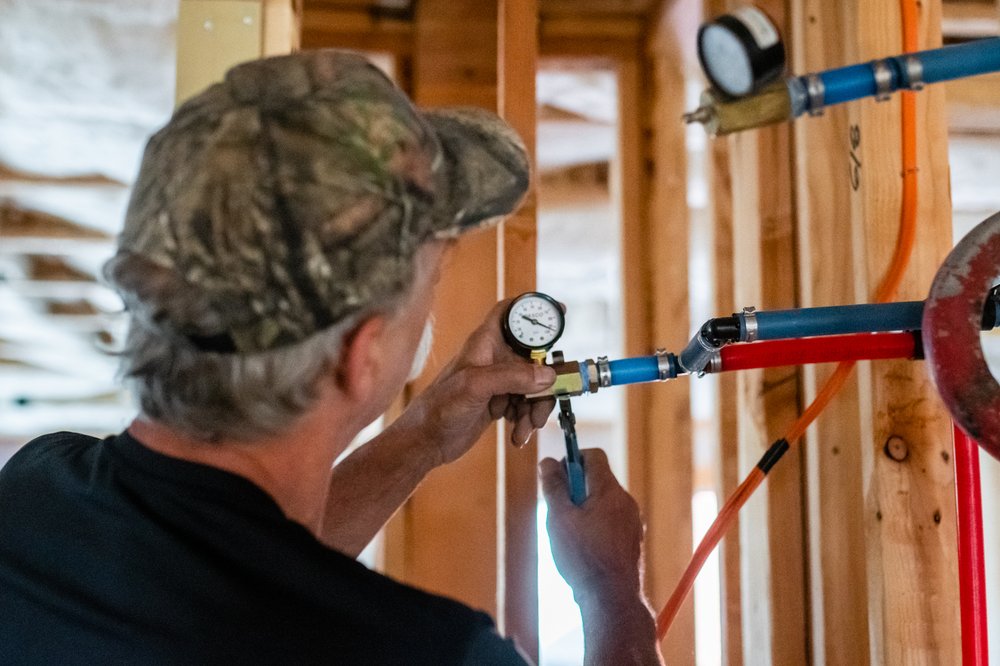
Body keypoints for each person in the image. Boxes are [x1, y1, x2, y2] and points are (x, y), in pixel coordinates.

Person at [0, 50, 662, 664]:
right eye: (433, 279)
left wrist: (425, 434)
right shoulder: (425, 653)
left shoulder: (32, 497)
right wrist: (610, 595)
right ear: (364, 353)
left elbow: (234, 570)